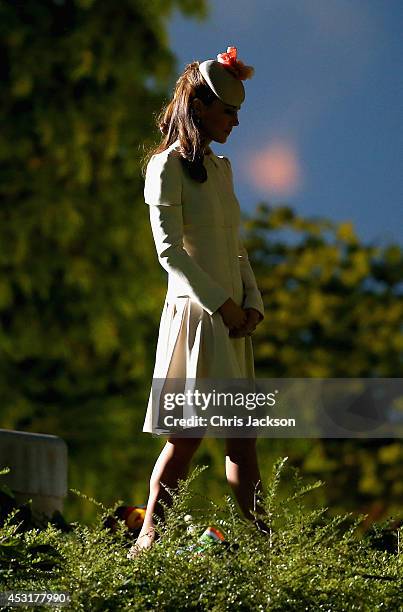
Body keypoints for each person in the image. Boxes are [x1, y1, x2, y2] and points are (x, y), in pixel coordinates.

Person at [128, 47, 268, 558]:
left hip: (231, 320)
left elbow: (234, 245)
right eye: (228, 111)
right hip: (197, 317)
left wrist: (252, 302)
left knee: (243, 440)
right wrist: (221, 305)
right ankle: (147, 542)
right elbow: (170, 253)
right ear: (201, 107)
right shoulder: (165, 167)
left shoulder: (223, 168)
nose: (234, 121)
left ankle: (262, 547)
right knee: (186, 437)